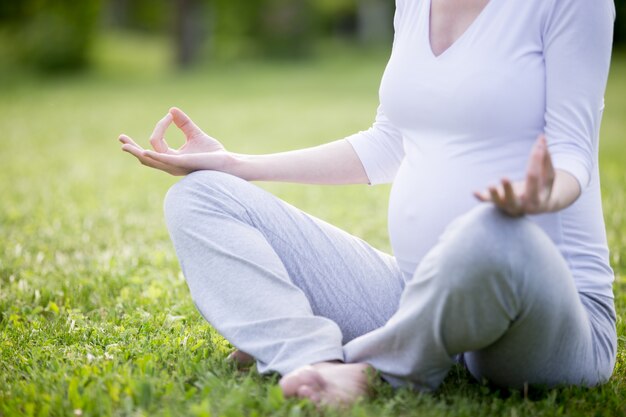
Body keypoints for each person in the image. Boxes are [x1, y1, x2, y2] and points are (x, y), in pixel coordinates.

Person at [119, 0, 617, 406]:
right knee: (201, 196)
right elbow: (388, 143)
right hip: (415, 289)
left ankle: (376, 365)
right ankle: (315, 362)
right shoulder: (414, 3)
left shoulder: (573, 4)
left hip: (546, 312)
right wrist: (234, 164)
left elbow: (573, 153)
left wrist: (540, 197)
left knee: (488, 231)